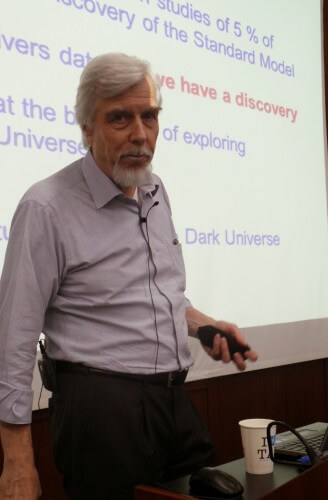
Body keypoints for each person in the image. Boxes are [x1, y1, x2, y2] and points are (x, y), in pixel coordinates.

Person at [0, 53, 258, 500]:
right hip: (101, 414)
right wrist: (18, 459)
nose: (140, 134)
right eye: (120, 118)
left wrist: (202, 325)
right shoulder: (46, 207)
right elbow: (13, 339)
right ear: (86, 127)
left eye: (149, 116)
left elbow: (162, 296)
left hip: (175, 403)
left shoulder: (155, 191)